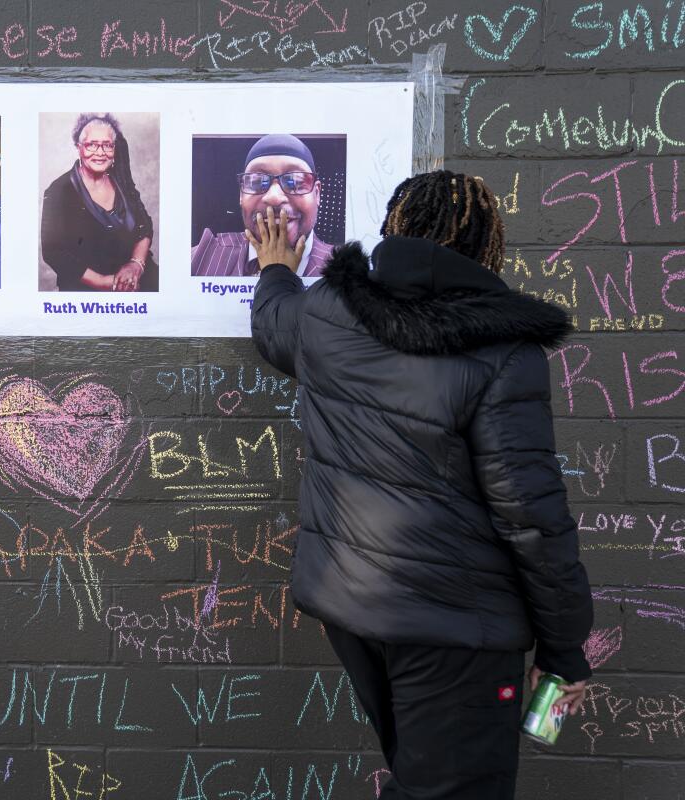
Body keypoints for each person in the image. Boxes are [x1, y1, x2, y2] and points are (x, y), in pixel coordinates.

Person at [249, 171, 593, 800]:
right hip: (456, 629)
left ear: (394, 230)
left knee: (420, 780)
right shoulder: (503, 351)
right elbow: (531, 516)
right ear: (489, 249)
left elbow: (275, 327)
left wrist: (275, 268)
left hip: (352, 610)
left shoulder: (328, 310)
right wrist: (565, 647)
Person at [41, 113, 158, 292]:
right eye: (92, 145)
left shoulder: (121, 179)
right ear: (78, 147)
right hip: (89, 288)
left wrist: (135, 265)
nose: (100, 153)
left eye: (107, 145)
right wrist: (106, 282)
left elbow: (144, 224)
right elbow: (54, 253)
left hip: (138, 276)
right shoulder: (58, 191)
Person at [192, 133, 333, 278]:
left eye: (295, 181)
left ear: (317, 194)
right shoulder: (200, 258)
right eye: (257, 182)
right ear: (241, 195)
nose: (274, 197)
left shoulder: (347, 272)